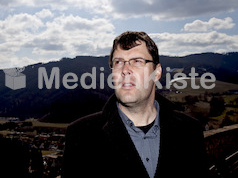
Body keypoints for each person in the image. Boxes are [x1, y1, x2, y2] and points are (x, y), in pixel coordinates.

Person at [62, 31, 209, 178]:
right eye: (118, 62)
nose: (125, 70)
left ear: (157, 72)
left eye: (137, 61)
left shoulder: (189, 130)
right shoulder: (81, 136)